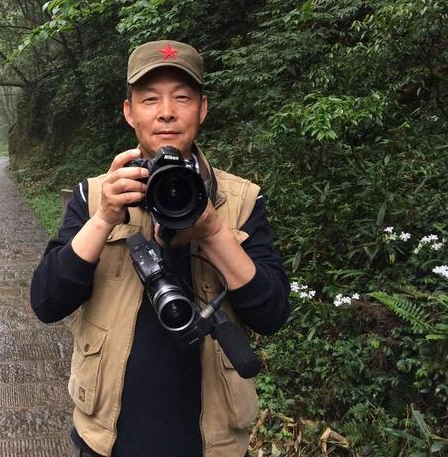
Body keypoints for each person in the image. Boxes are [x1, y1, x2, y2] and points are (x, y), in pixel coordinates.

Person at [30, 40, 290, 457]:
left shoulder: (240, 200)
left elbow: (273, 313)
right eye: (150, 99)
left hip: (211, 443)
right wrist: (103, 218)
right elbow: (45, 302)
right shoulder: (96, 195)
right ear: (130, 112)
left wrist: (210, 228)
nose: (166, 111)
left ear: (202, 109)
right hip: (108, 440)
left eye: (182, 98)